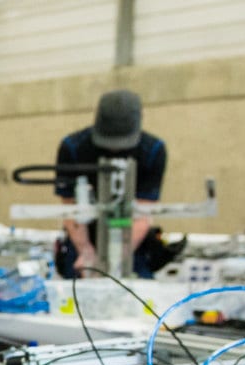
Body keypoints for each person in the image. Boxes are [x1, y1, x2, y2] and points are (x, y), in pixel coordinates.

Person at [52, 89, 169, 278]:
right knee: (73, 290)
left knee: (140, 291)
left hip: (132, 237)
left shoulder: (153, 151)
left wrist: (115, 260)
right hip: (83, 233)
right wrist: (86, 251)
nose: (114, 149)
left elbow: (143, 213)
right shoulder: (73, 148)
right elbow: (70, 208)